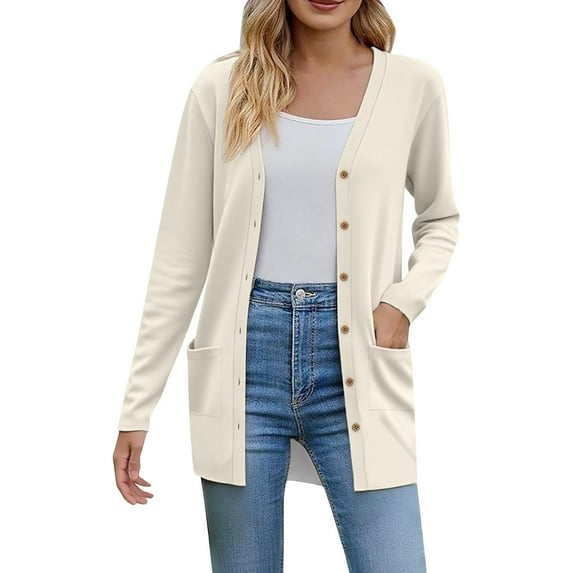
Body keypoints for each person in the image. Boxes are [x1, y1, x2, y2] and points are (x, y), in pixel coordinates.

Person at [113, 1, 460, 571]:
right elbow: (179, 258)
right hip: (243, 366)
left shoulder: (412, 86)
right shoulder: (222, 86)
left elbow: (440, 217)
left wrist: (402, 302)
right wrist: (137, 407)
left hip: (359, 358)